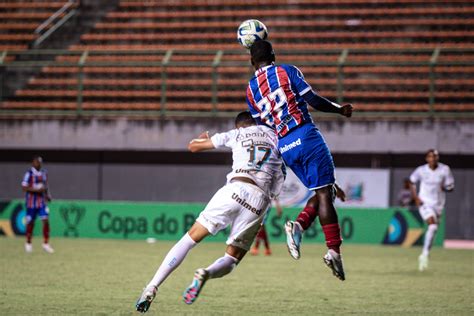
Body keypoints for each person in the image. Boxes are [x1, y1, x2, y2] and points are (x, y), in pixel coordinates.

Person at [135, 111, 284, 313]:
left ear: (240, 126)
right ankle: (205, 273)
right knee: (231, 259)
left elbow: (193, 146)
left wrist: (203, 138)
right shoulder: (276, 137)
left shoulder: (236, 134)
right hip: (259, 200)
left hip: (235, 188)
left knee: (188, 240)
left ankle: (152, 286)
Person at [246, 40, 353, 281]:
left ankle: (298, 227)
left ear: (252, 62)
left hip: (285, 145)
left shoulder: (251, 90)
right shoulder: (287, 70)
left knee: (324, 191)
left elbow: (265, 128)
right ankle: (333, 251)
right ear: (273, 54)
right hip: (304, 133)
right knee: (326, 195)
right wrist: (339, 109)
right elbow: (312, 99)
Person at [409, 149, 454, 271]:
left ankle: (425, 254)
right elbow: (411, 182)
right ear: (426, 158)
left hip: (438, 205)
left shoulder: (445, 170)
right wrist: (416, 197)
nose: (433, 159)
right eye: (430, 157)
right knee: (432, 226)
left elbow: (451, 186)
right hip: (425, 203)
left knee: (433, 230)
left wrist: (445, 187)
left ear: (438, 158)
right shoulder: (421, 170)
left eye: (435, 157)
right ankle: (424, 255)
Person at [21, 156, 54, 253]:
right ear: (33, 163)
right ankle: (28, 243)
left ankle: (46, 244)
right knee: (30, 222)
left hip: (41, 202)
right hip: (31, 203)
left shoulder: (44, 173)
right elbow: (24, 187)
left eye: (39, 162)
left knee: (45, 220)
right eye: (36, 162)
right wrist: (36, 190)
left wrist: (47, 195)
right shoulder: (29, 174)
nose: (37, 164)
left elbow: (45, 186)